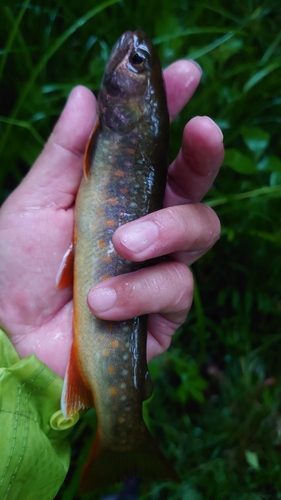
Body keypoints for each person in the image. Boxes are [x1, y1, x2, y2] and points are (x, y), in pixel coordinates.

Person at [0, 59, 223, 499]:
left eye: (136, 63)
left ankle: (123, 441)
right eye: (137, 63)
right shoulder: (111, 133)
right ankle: (124, 446)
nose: (130, 55)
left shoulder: (116, 135)